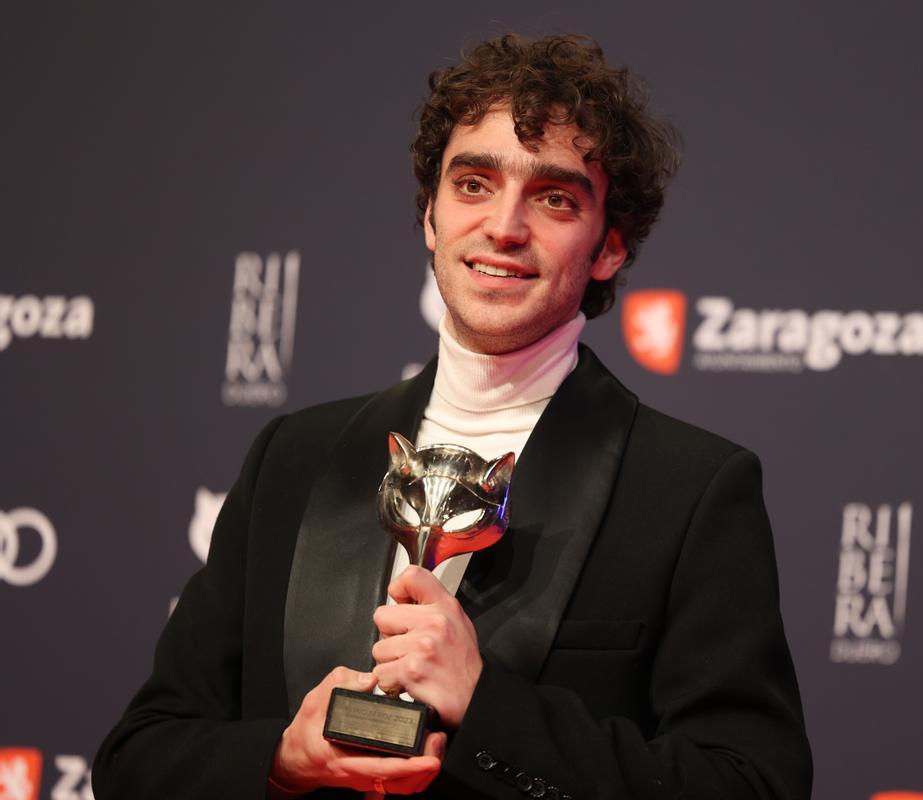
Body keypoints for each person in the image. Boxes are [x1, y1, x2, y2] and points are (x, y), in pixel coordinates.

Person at [94, 33, 812, 799]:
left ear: (610, 247)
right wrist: (281, 758)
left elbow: (750, 784)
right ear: (430, 217)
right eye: (473, 184)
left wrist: (491, 707)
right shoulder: (294, 458)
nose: (504, 227)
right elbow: (139, 758)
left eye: (554, 197)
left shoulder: (689, 489)